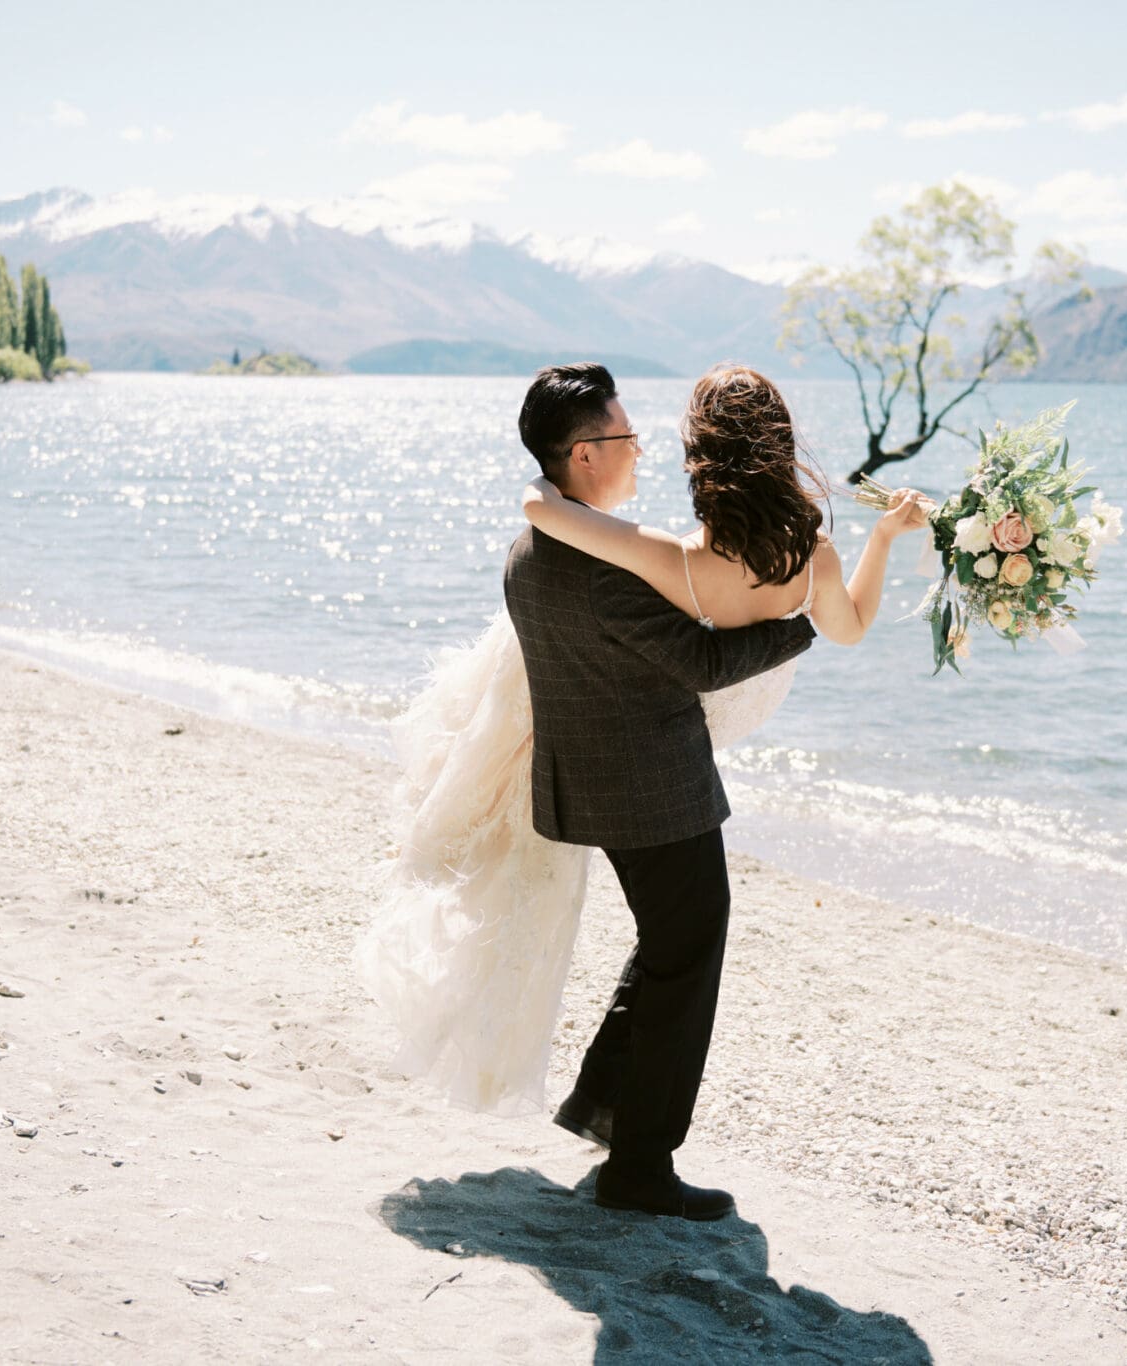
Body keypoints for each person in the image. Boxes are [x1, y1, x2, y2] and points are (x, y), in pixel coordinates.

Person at [354, 362, 922, 1222]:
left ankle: (605, 1105)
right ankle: (640, 1167)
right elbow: (701, 661)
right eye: (624, 436)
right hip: (646, 782)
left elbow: (561, 527)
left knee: (670, 941)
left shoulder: (571, 545)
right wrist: (804, 616)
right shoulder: (600, 565)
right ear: (585, 454)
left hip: (595, 775)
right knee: (690, 945)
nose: (640, 447)